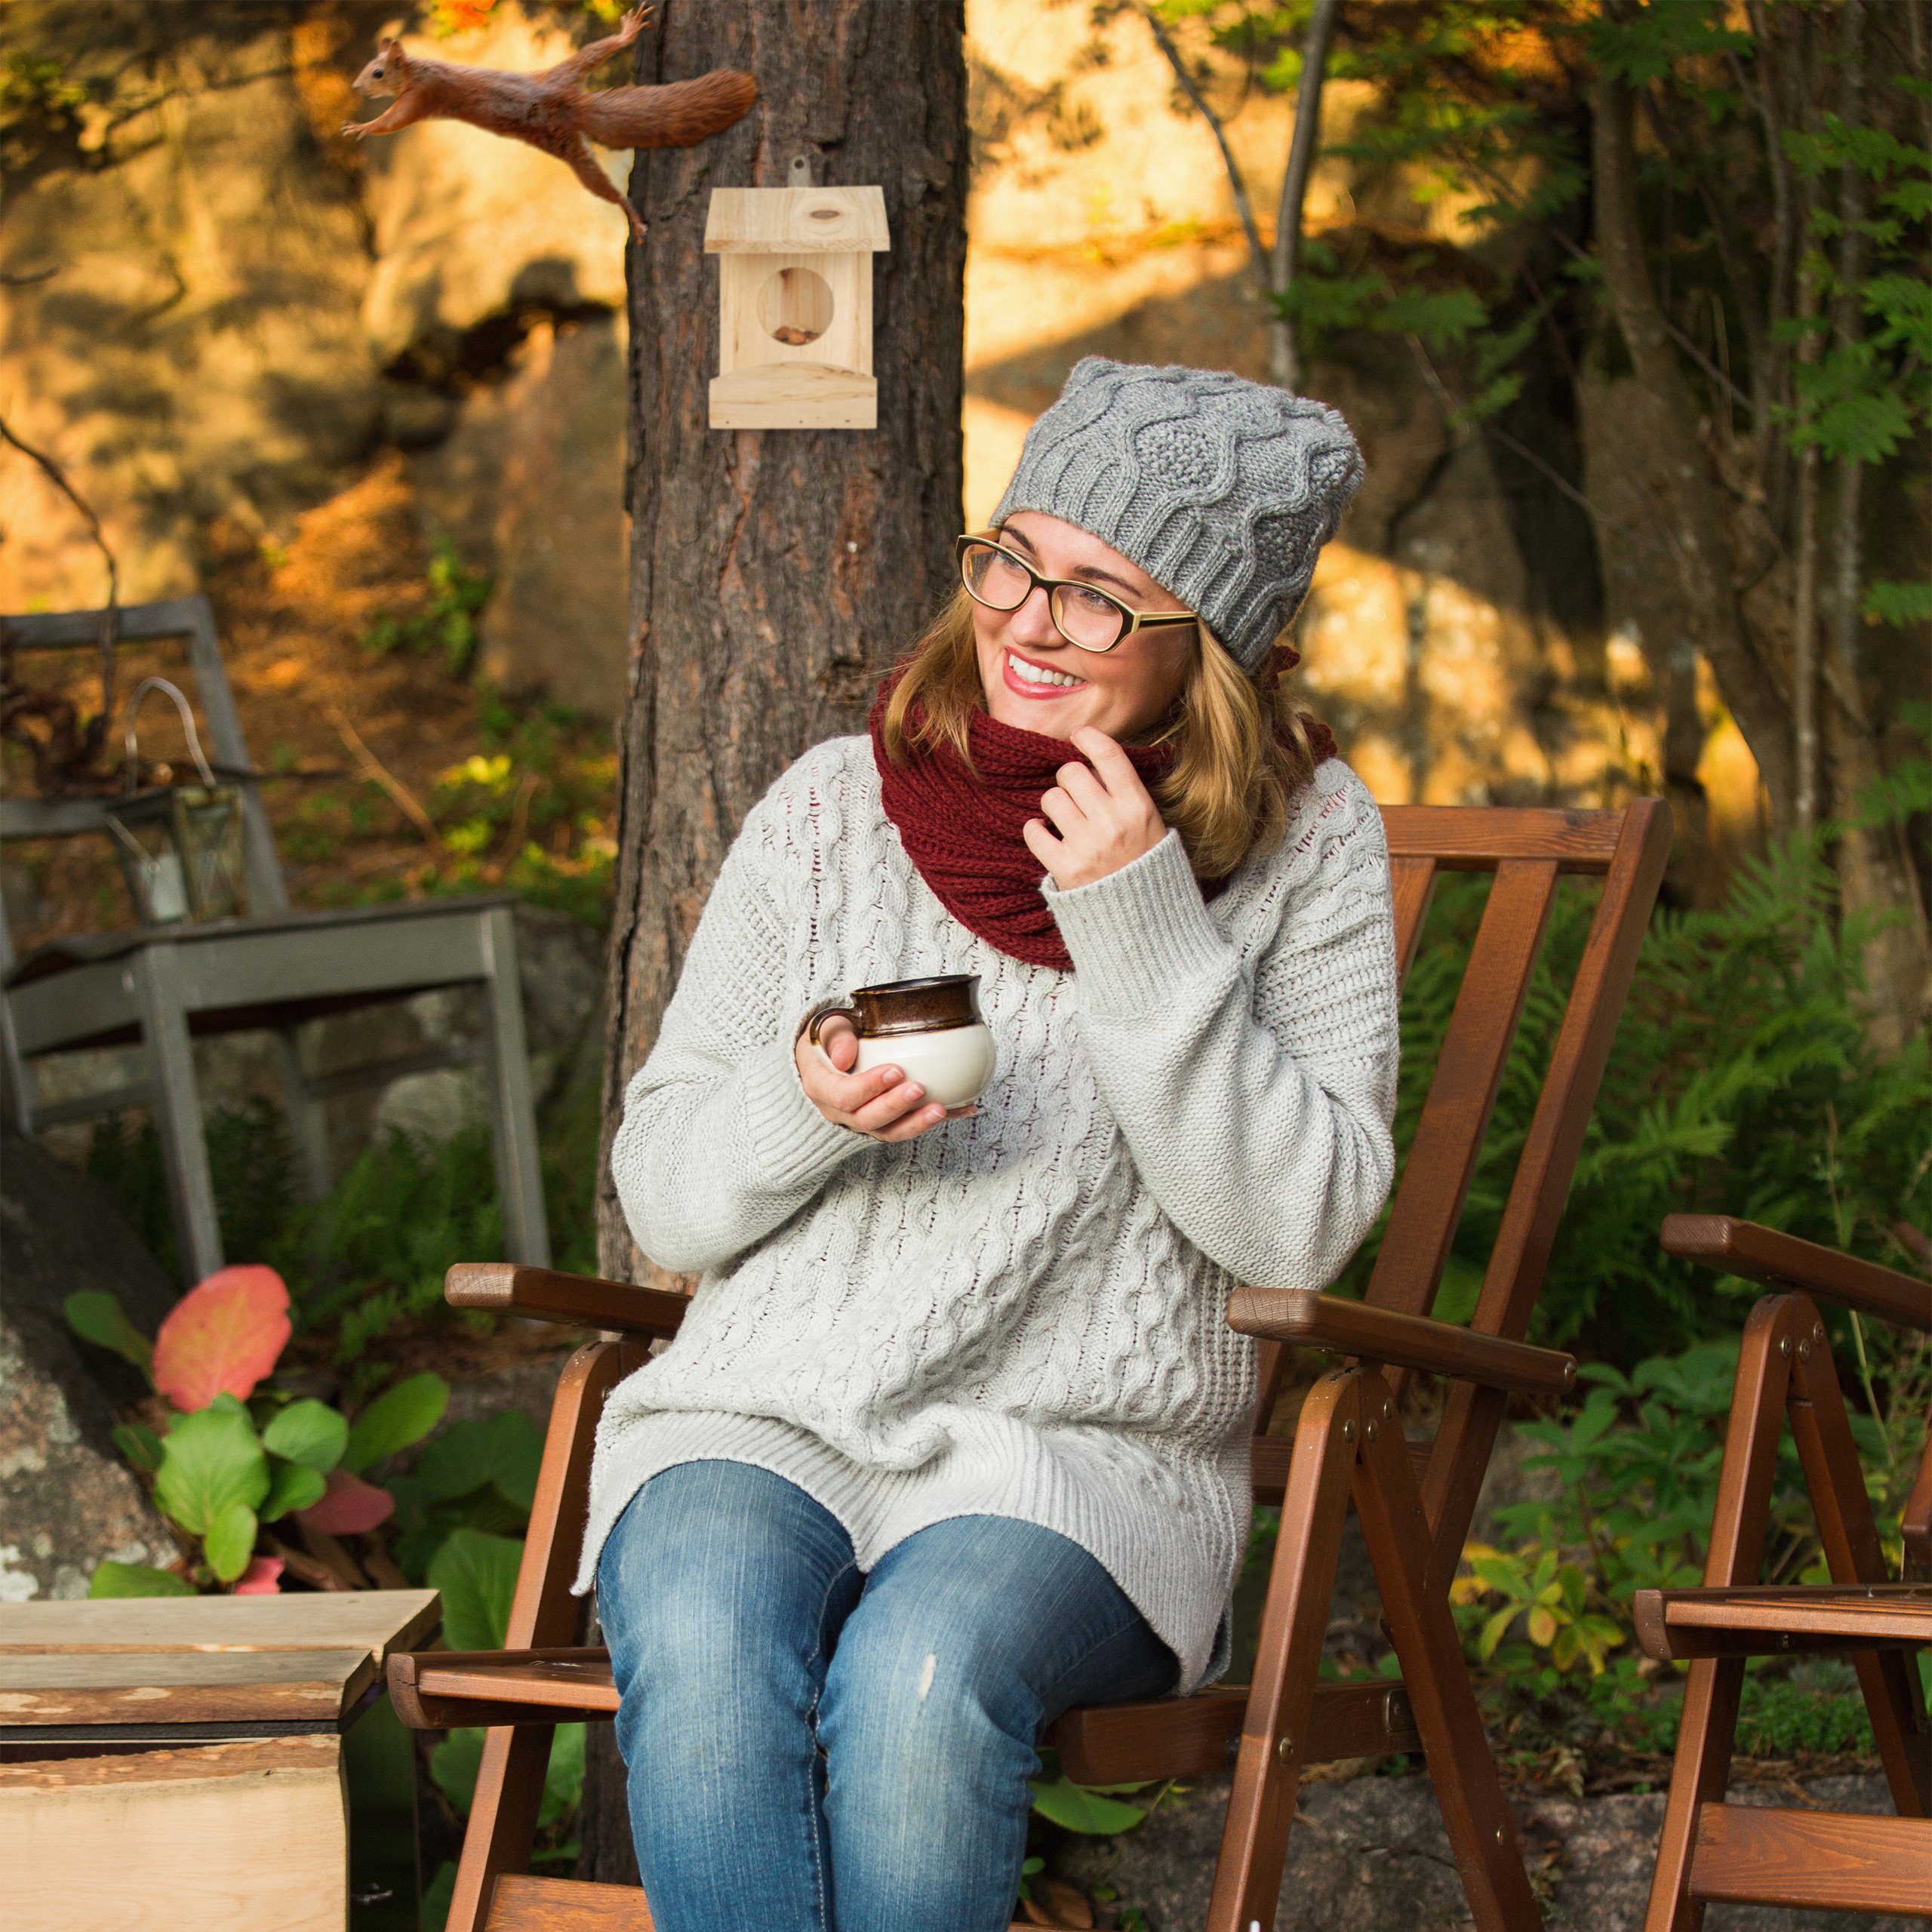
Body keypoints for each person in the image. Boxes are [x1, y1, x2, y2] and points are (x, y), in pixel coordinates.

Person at [578, 356, 1402, 1932]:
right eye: (1011, 559)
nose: (1026, 620)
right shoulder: (834, 807)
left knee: (918, 1679)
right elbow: (664, 1198)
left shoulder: (1305, 847)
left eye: (1100, 597)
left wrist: (1138, 915)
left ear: (1204, 649)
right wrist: (800, 1109)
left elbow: (1296, 1227)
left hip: (1082, 1456)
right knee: (692, 1617)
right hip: (767, 1409)